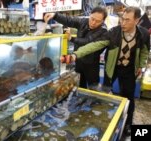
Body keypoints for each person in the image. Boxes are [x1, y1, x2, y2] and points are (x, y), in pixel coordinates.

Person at [68, 6, 150, 135]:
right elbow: (94, 45)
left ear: (137, 20)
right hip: (112, 68)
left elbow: (145, 51)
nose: (123, 23)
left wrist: (140, 65)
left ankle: (128, 125)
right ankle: (103, 120)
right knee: (106, 92)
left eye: (127, 20)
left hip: (129, 69)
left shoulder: (144, 34)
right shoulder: (113, 32)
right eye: (122, 19)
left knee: (128, 96)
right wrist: (75, 54)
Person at [44, 7, 108, 89]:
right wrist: (55, 15)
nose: (93, 23)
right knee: (79, 85)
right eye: (92, 19)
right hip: (78, 60)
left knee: (93, 87)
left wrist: (72, 39)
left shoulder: (103, 31)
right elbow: (69, 20)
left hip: (91, 64)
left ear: (103, 21)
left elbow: (87, 42)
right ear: (90, 15)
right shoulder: (84, 21)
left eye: (98, 21)